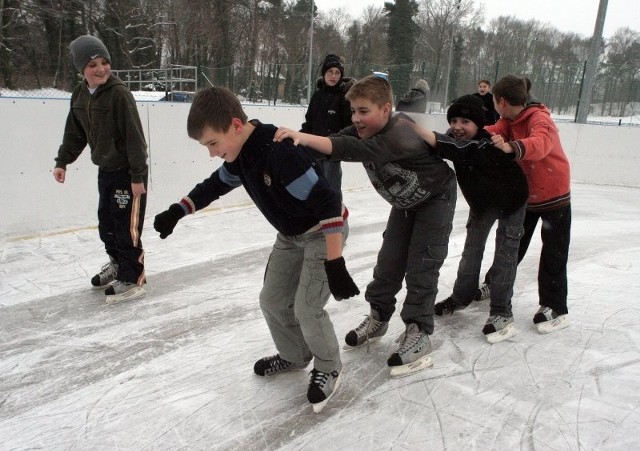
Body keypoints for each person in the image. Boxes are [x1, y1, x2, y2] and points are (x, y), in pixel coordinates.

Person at [152, 87, 359, 413]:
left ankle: (329, 365)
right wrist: (178, 210)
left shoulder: (279, 155)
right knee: (272, 300)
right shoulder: (239, 155)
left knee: (307, 308)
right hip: (290, 236)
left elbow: (329, 202)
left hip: (323, 231)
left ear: (235, 125)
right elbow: (215, 184)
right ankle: (294, 355)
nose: (211, 153)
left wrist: (335, 261)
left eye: (212, 143)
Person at [275, 75, 457, 378]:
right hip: (405, 204)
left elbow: (347, 148)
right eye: (354, 111)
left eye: (364, 111)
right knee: (389, 261)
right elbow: (334, 142)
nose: (356, 119)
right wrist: (291, 149)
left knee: (423, 263)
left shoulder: (398, 133)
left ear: (386, 109)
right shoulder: (363, 130)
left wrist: (304, 137)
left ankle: (419, 329)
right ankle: (379, 316)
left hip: (435, 198)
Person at [410, 94, 528, 343]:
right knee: (471, 251)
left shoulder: (483, 145)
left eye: (465, 121)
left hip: (512, 200)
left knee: (505, 255)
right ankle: (461, 296)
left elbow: (455, 149)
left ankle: (501, 312)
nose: (457, 126)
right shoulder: (453, 139)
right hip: (483, 204)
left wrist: (414, 128)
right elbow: (439, 147)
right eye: (454, 120)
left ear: (478, 125)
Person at [52, 35, 148, 304]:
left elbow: (135, 138)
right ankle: (117, 264)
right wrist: (62, 161)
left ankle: (133, 277)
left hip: (129, 172)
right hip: (106, 170)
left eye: (105, 62)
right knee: (106, 223)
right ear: (81, 68)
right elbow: (75, 133)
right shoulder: (81, 94)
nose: (101, 69)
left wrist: (138, 176)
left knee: (126, 226)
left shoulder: (119, 94)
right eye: (93, 64)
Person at [481, 75, 571, 334]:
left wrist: (510, 147)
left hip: (554, 194)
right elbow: (496, 130)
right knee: (513, 243)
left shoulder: (539, 118)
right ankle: (493, 283)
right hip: (527, 194)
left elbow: (541, 144)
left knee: (554, 250)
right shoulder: (509, 119)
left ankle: (555, 306)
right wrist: (477, 134)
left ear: (501, 101)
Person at [301, 54, 355, 198]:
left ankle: (337, 218)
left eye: (337, 73)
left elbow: (349, 126)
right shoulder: (317, 96)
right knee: (314, 191)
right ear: (324, 73)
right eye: (330, 72)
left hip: (331, 154)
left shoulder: (344, 98)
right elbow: (309, 123)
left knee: (332, 193)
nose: (333, 76)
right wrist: (298, 139)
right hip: (313, 152)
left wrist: (335, 144)